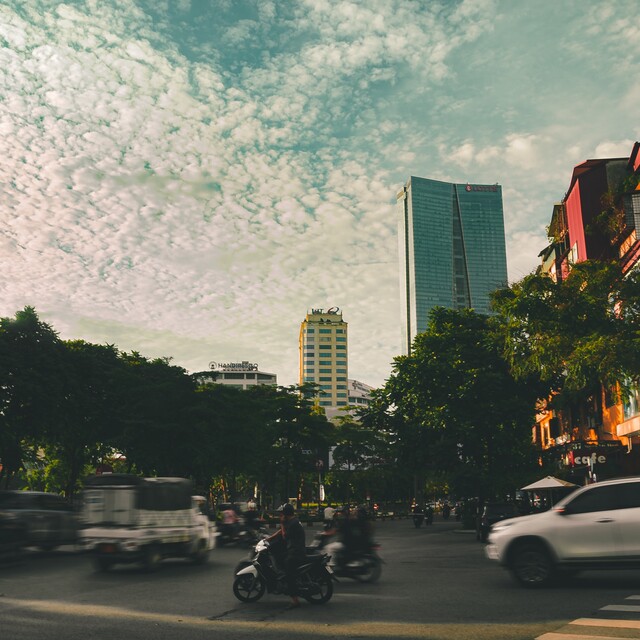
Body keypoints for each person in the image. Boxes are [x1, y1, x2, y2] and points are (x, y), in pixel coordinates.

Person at [266, 503, 306, 608]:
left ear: (286, 514)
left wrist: (282, 523)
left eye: (282, 514)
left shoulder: (293, 523)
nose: (281, 516)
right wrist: (269, 538)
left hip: (296, 552)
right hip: (293, 549)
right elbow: (281, 531)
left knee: (289, 574)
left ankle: (295, 600)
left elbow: (284, 535)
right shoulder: (292, 521)